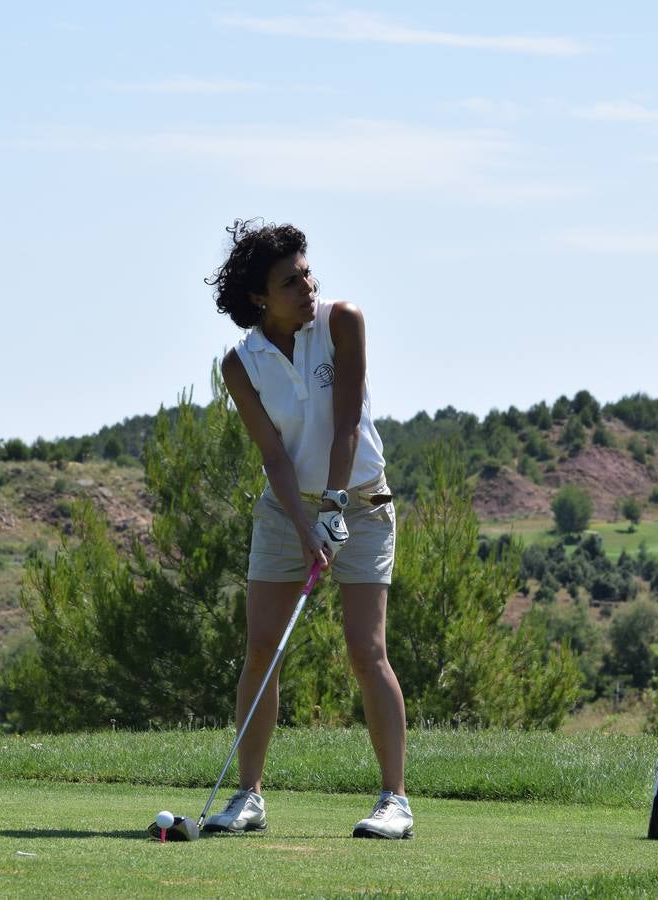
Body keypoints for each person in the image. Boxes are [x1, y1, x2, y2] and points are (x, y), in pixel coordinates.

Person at [202, 219, 412, 840]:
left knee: (364, 649)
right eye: (290, 280)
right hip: (285, 509)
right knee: (262, 649)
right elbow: (273, 454)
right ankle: (249, 797)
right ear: (259, 297)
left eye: (306, 271)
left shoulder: (342, 320)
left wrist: (334, 508)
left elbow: (347, 421)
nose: (307, 285)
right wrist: (303, 524)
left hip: (364, 505)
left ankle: (394, 800)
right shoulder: (241, 364)